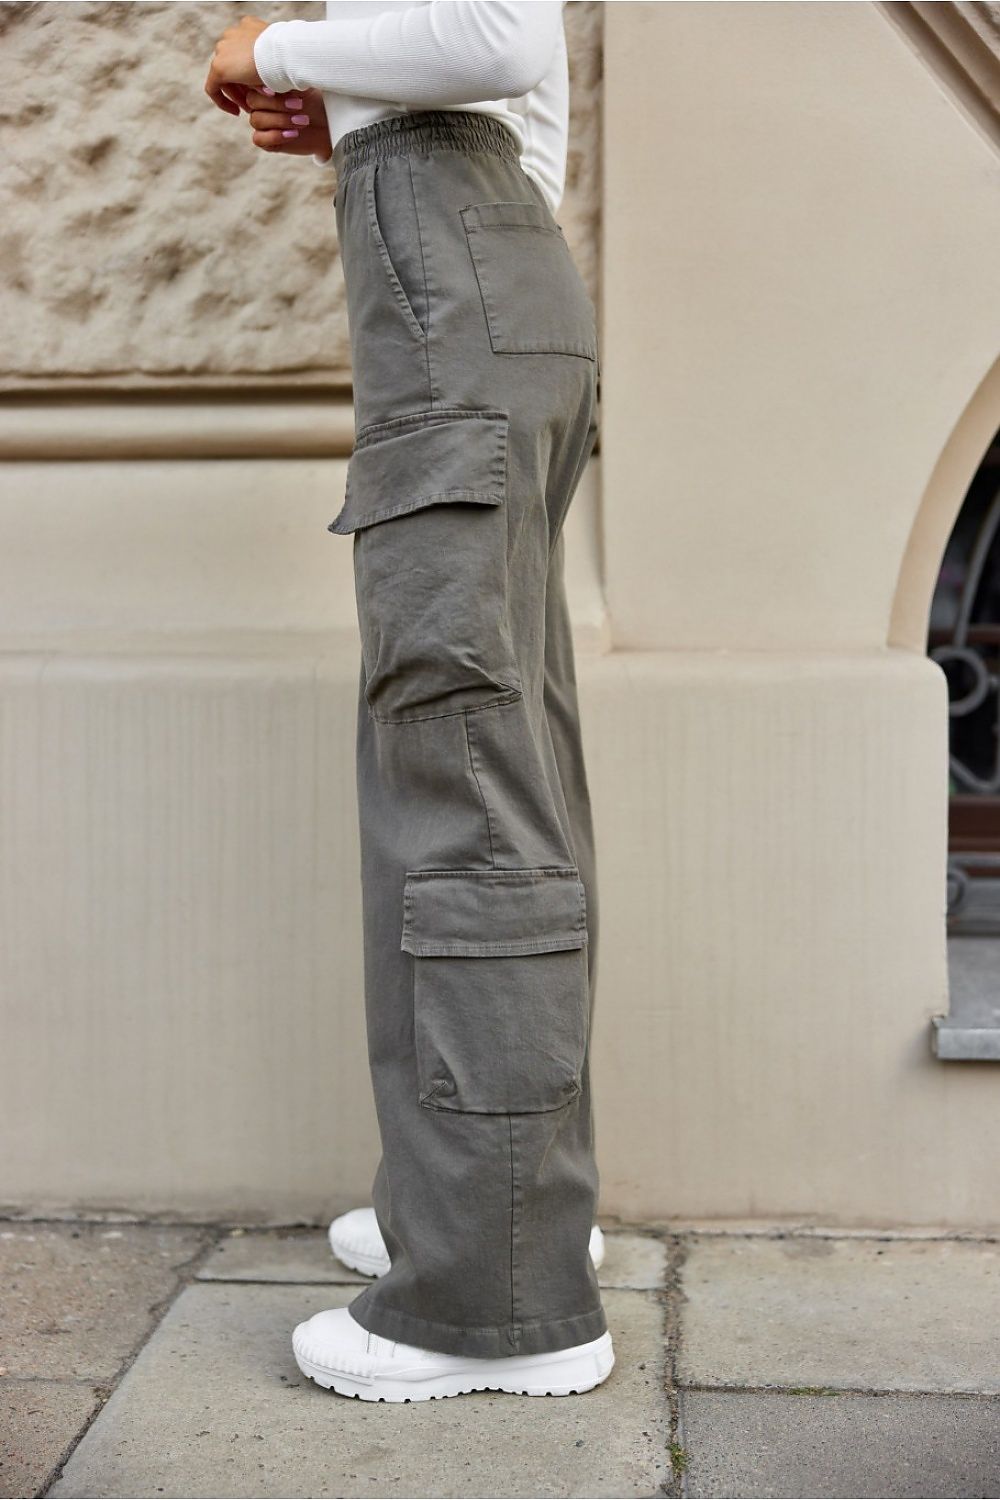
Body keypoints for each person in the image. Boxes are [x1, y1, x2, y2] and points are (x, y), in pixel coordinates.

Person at [206, 0, 612, 1404]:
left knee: (463, 784)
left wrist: (275, 50)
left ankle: (495, 1291)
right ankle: (498, 1206)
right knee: (492, 767)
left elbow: (495, 35)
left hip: (460, 307)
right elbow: (508, 101)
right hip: (485, 288)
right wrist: (354, 104)